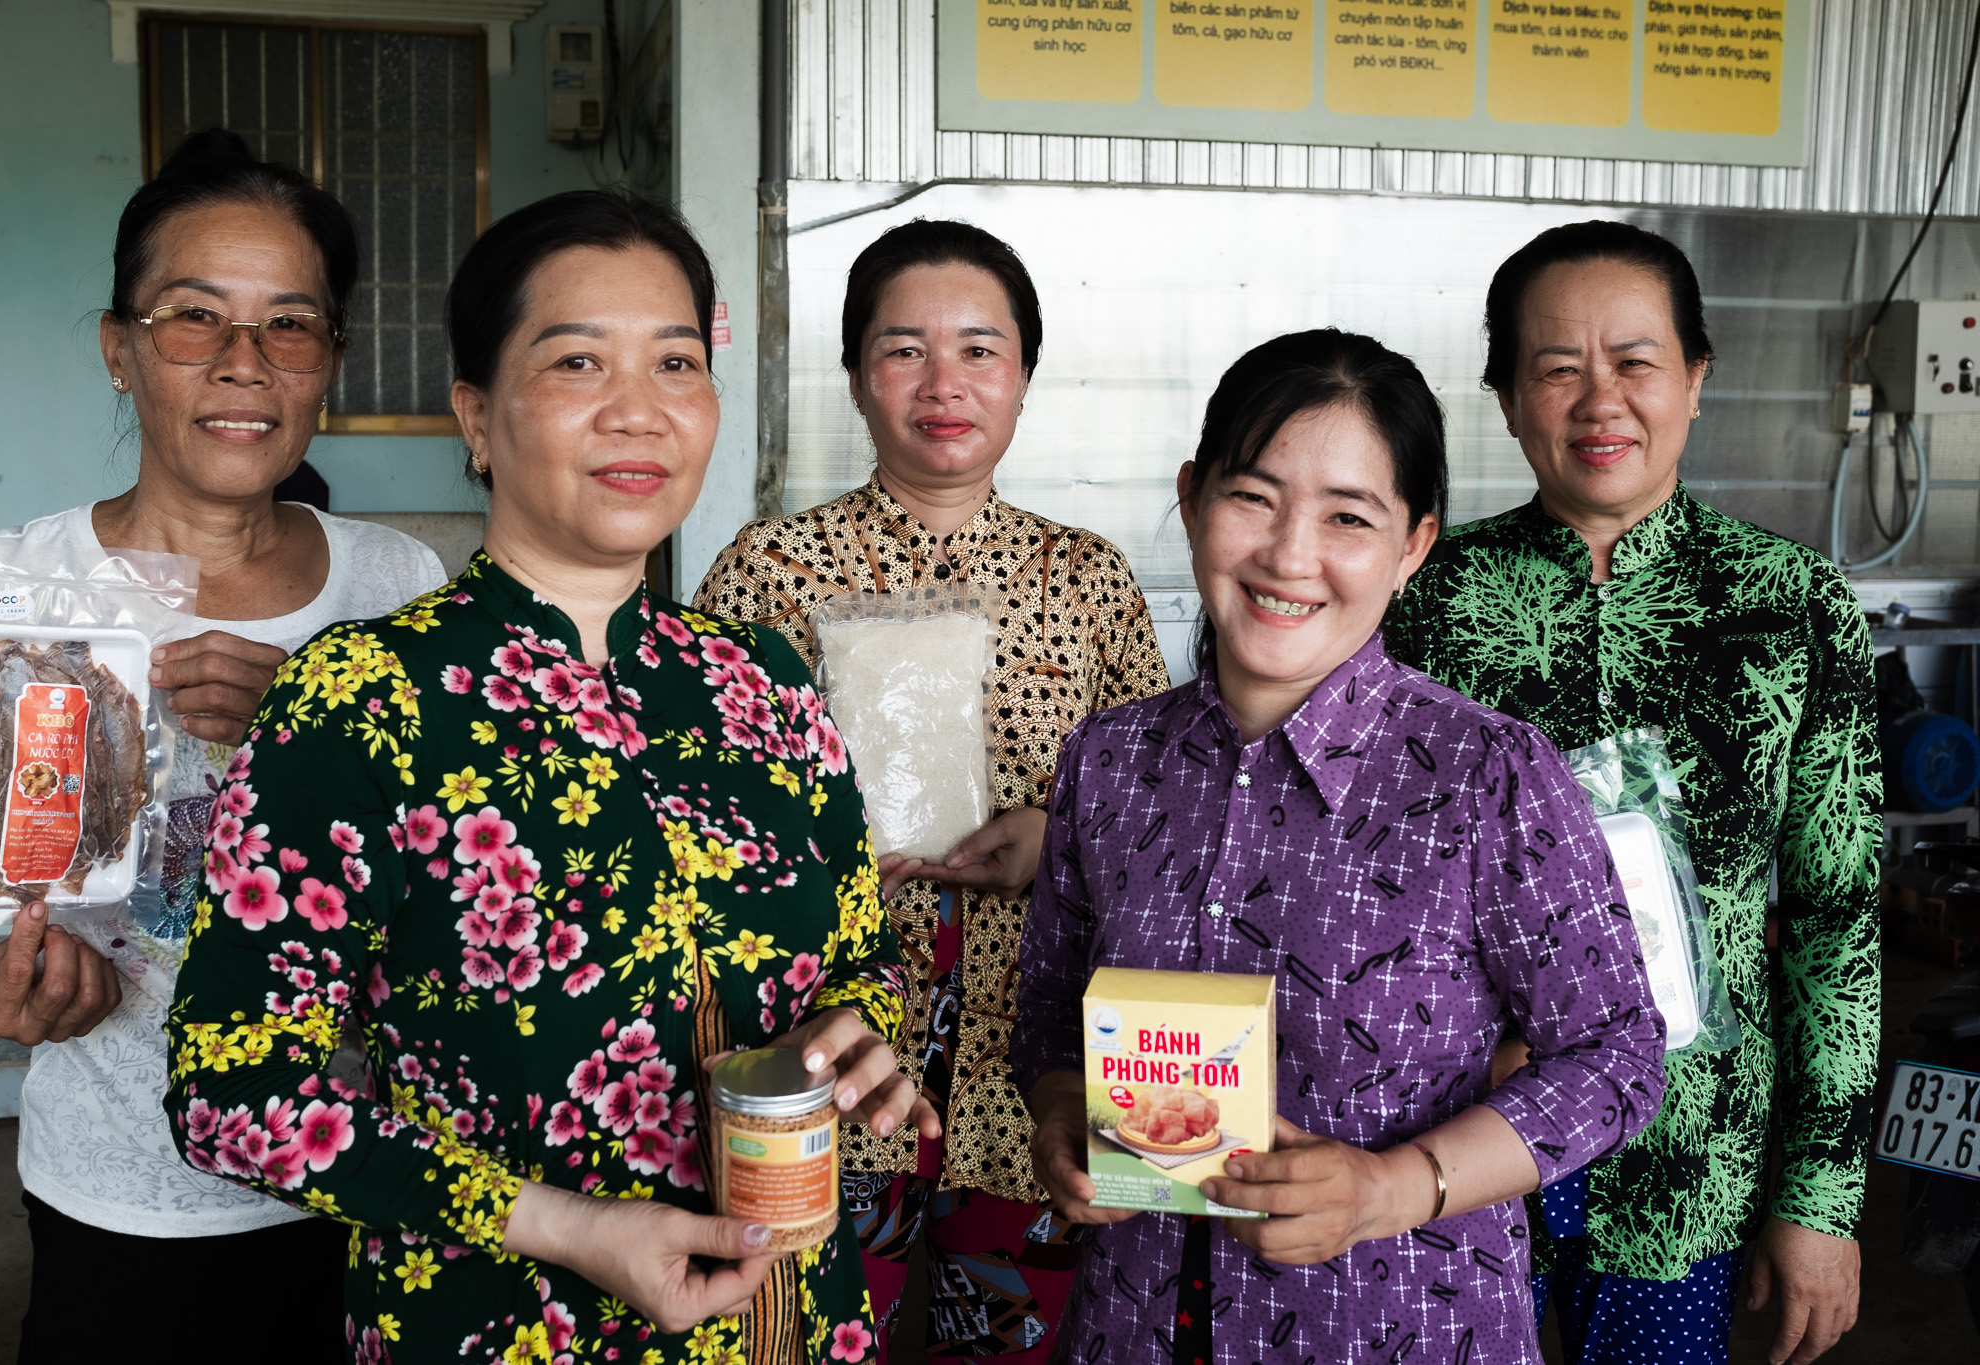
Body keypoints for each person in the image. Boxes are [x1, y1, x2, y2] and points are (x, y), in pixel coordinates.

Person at [161, 188, 931, 1365]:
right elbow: (227, 1089)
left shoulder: (761, 681)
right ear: (477, 416)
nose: (640, 411)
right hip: (498, 1325)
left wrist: (861, 1030)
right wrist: (567, 1228)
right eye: (578, 361)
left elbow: (863, 953)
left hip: (796, 1322)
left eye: (676, 362)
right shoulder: (367, 695)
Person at [1013, 329, 1668, 1363]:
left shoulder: (1485, 773)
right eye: (1252, 496)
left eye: (1347, 518)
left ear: (1411, 546)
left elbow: (1618, 1056)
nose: (1286, 554)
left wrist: (1394, 1188)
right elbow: (1050, 1011)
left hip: (1398, 1321)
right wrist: (1060, 1121)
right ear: (1190, 500)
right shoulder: (1108, 759)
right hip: (1135, 1319)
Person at [0, 129, 445, 1361]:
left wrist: (325, 721)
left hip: (375, 1179)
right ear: (120, 349)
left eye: (289, 325)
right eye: (192, 318)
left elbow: (455, 883)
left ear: (329, 362)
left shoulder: (399, 583)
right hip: (121, 1203)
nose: (241, 364)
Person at [1388, 220, 1880, 1365]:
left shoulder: (1791, 605)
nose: (1597, 399)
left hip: (1688, 1158)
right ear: (1508, 399)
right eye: (1554, 367)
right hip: (1450, 1147)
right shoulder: (1421, 596)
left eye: (1634, 361)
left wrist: (1819, 1199)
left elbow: (1835, 922)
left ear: (1694, 379)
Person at [693, 219, 1172, 1361]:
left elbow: (1162, 824)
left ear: (1023, 374)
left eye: (978, 350)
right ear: (856, 375)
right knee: (804, 1337)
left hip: (1032, 1084)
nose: (942, 384)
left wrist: (1052, 840)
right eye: (903, 348)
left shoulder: (1087, 575)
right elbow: (699, 816)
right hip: (829, 1064)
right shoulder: (769, 569)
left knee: (1001, 1349)